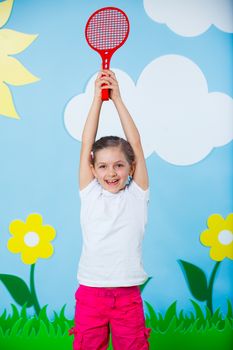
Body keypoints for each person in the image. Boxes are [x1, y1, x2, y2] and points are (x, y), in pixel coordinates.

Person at [69, 69, 151, 349]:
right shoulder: (89, 192)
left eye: (119, 165)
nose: (111, 173)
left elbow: (136, 144)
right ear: (92, 168)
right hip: (91, 294)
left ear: (131, 167)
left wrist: (117, 100)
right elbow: (85, 145)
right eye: (102, 166)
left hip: (127, 296)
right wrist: (97, 100)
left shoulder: (137, 195)